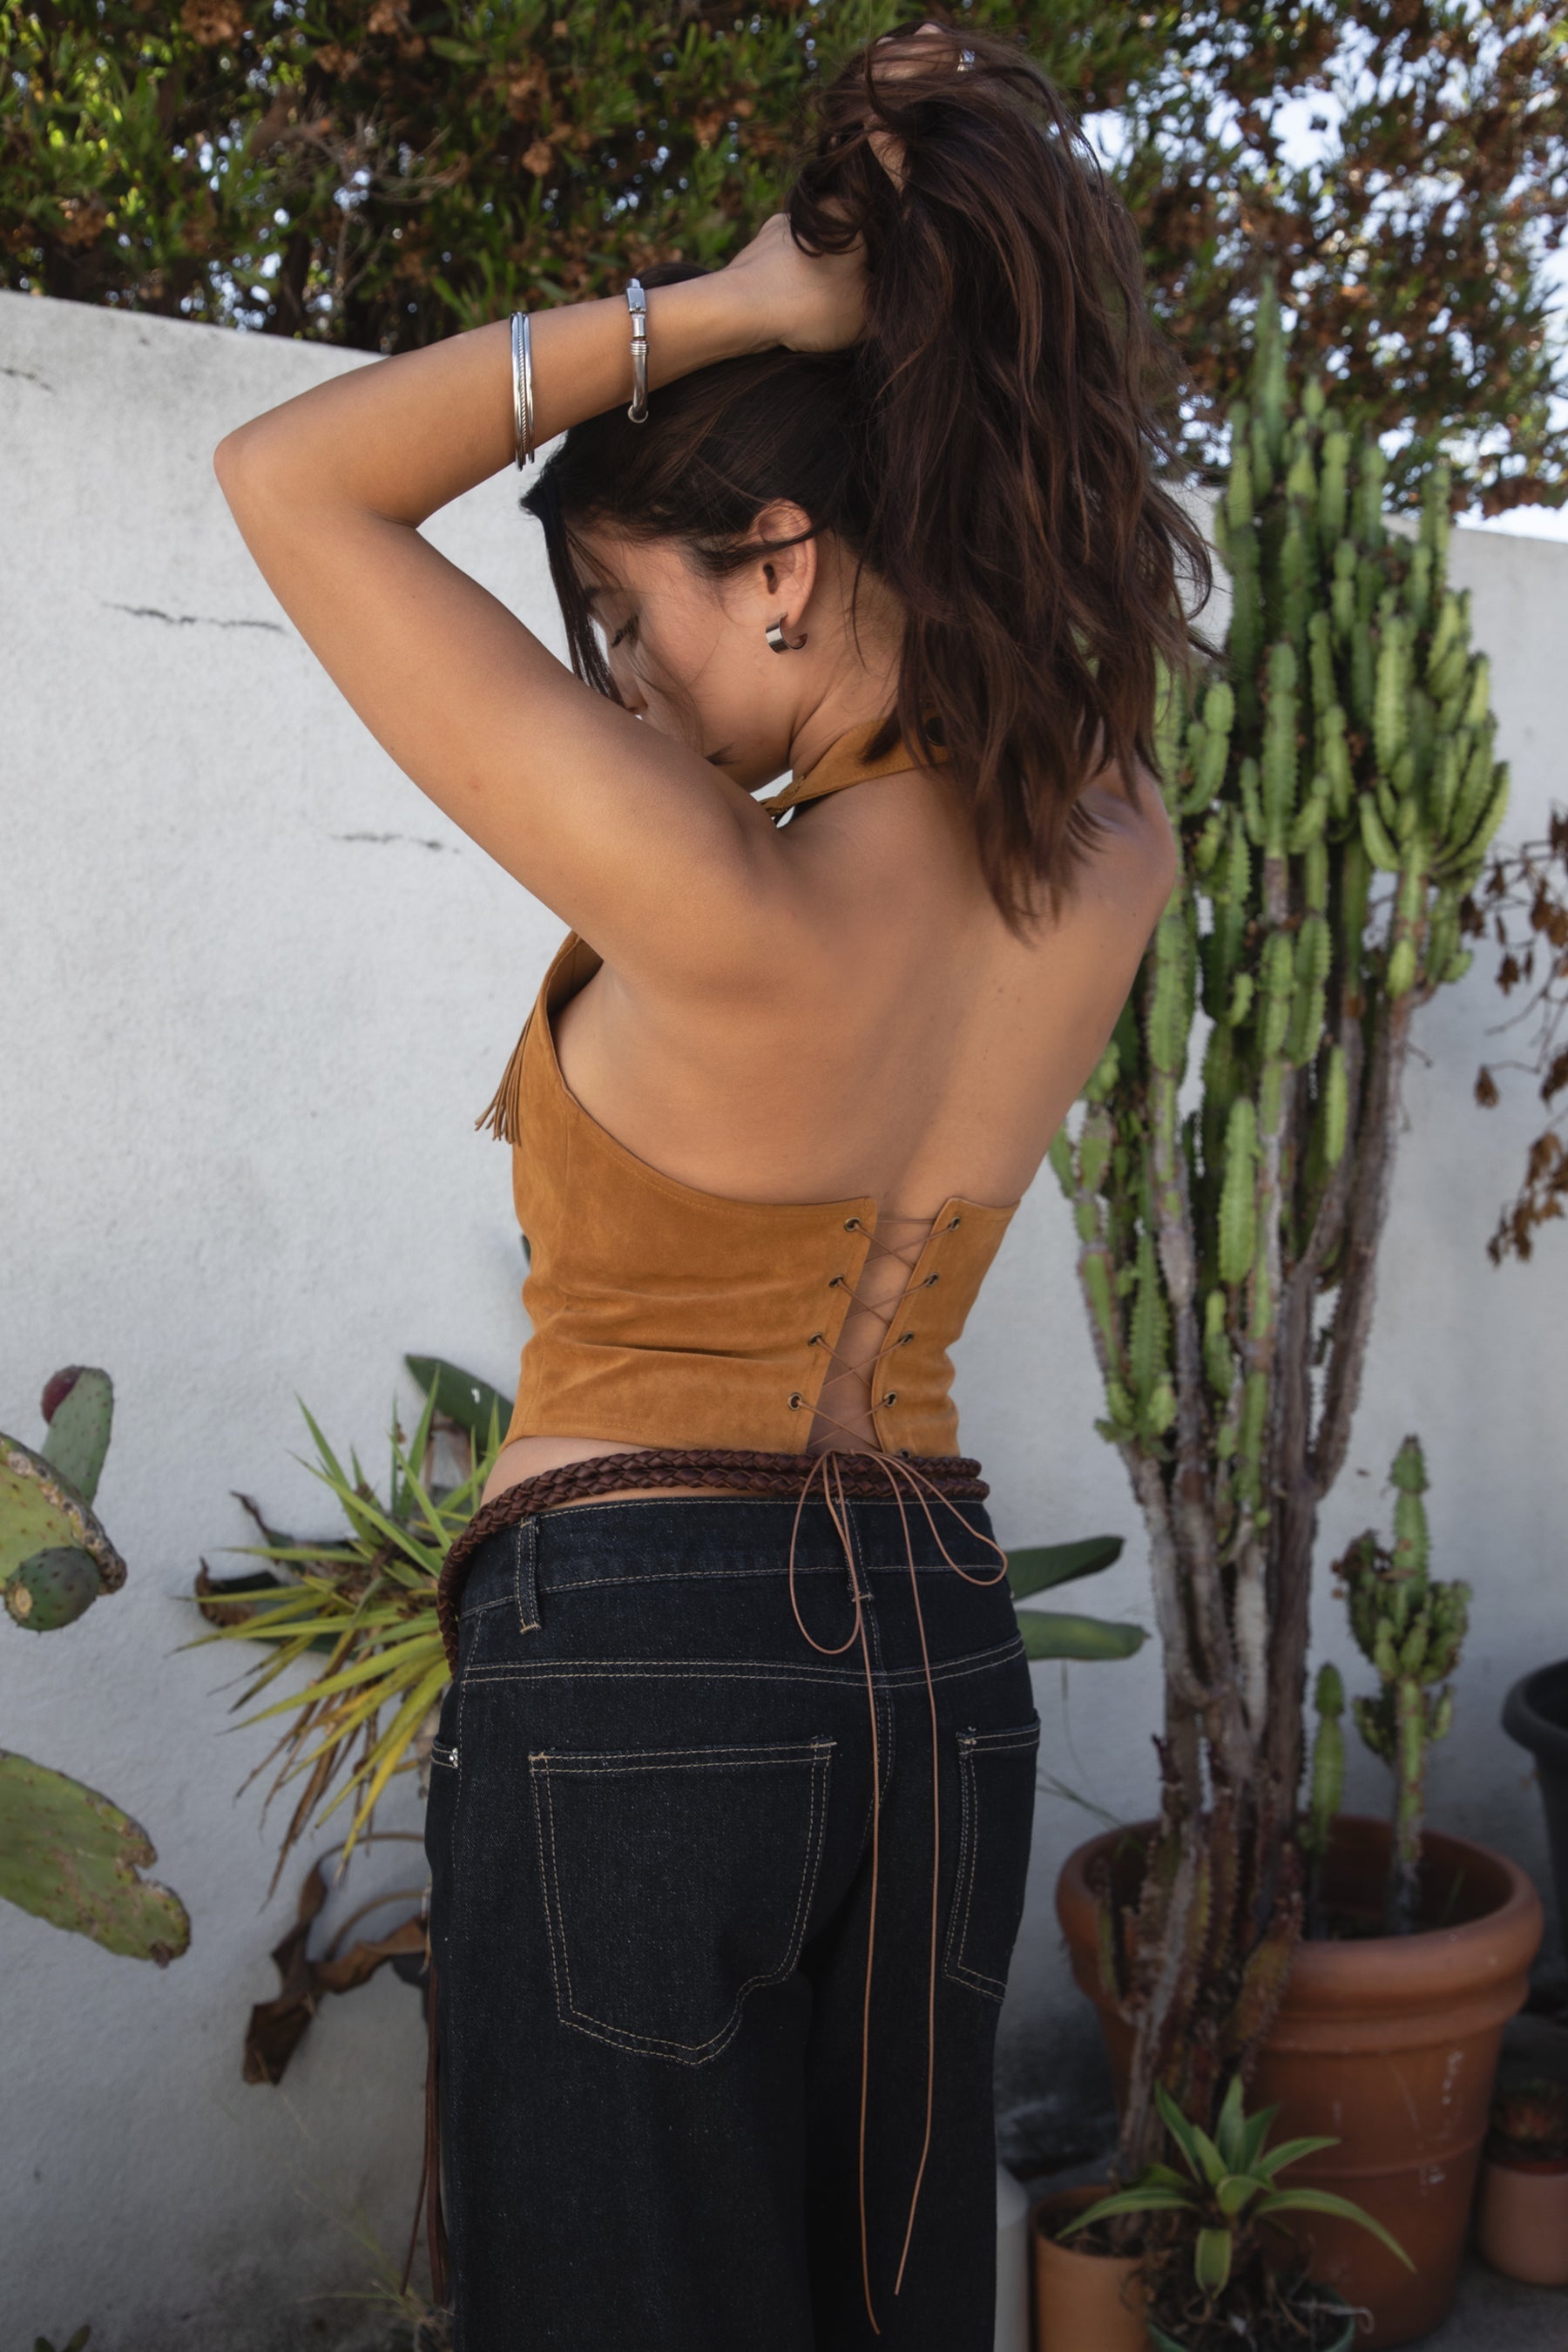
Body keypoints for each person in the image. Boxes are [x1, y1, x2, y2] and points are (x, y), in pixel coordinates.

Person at [214, 22, 1206, 2350]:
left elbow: (289, 482)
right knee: (872, 2308)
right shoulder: (1111, 847)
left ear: (778, 561)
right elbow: (1029, 558)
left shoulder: (708, 885)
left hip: (640, 1657)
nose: (623, 694)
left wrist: (744, 304)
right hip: (938, 1664)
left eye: (626, 618)